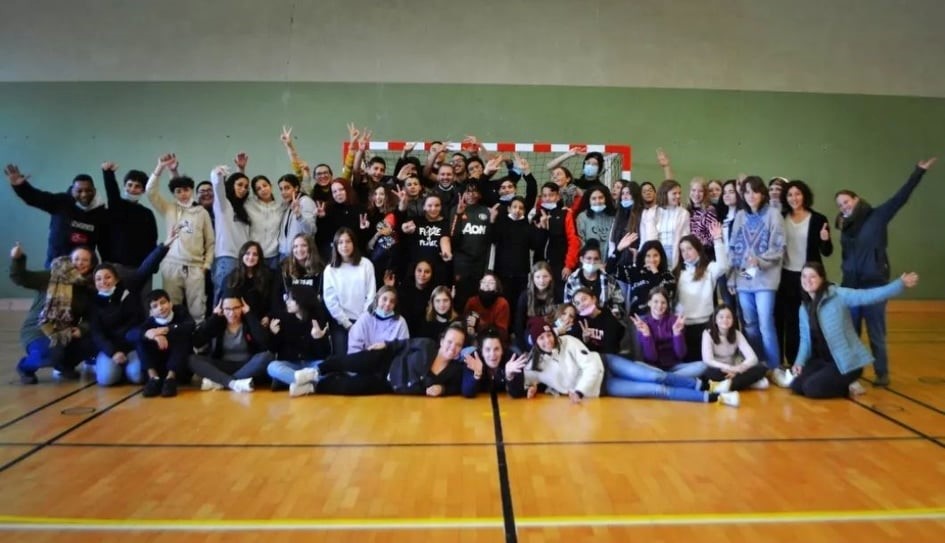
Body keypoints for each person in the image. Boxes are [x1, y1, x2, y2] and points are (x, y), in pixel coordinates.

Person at [834, 158, 935, 386]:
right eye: (840, 205)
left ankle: (882, 373)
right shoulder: (844, 227)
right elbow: (846, 257)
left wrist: (918, 172)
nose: (843, 206)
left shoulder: (877, 216)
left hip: (874, 284)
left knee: (876, 332)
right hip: (851, 285)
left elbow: (901, 197)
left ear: (856, 200)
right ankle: (853, 374)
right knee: (852, 332)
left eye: (846, 201)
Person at [791, 263, 919, 399]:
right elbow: (805, 339)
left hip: (846, 363)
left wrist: (899, 284)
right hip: (823, 361)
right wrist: (800, 362)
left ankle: (847, 385)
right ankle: (839, 383)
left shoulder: (838, 295)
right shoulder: (804, 308)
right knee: (797, 386)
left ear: (822, 279)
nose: (807, 281)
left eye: (813, 277)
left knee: (811, 389)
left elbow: (869, 295)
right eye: (804, 276)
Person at [89, 237, 172, 387]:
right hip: (111, 349)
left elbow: (146, 267)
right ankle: (115, 368)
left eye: (108, 277)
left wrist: (164, 246)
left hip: (133, 345)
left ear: (116, 278)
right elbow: (97, 334)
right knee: (107, 379)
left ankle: (127, 369)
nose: (103, 282)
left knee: (138, 377)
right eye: (98, 279)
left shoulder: (129, 289)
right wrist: (113, 352)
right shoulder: (94, 303)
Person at [10, 244, 97, 384]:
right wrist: (18, 258)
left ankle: (65, 365)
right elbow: (21, 278)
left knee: (92, 341)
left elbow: (91, 317)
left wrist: (82, 329)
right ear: (70, 260)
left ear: (91, 264)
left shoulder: (88, 287)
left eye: (85, 260)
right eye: (76, 259)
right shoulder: (51, 276)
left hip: (64, 332)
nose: (80, 263)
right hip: (38, 330)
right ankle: (25, 367)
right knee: (49, 353)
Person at [305, 323, 467, 397]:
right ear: (442, 340)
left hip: (389, 385)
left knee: (350, 387)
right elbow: (401, 344)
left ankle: (314, 386)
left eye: (458, 345)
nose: (452, 348)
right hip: (385, 360)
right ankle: (316, 371)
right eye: (450, 342)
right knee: (351, 362)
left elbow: (456, 388)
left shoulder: (454, 370)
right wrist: (385, 344)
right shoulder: (427, 345)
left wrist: (442, 389)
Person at [146, 154, 215, 324]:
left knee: (198, 308)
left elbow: (210, 242)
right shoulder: (169, 208)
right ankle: (173, 342)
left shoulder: (202, 212)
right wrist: (160, 168)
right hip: (171, 265)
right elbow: (150, 191)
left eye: (185, 190)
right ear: (174, 193)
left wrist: (205, 266)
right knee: (171, 307)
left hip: (195, 268)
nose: (183, 194)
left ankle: (199, 346)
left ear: (191, 190)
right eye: (178, 191)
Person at [728, 176, 785, 370]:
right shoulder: (741, 216)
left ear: (762, 193)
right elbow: (733, 247)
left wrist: (759, 261)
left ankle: (773, 366)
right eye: (747, 191)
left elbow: (778, 248)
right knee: (750, 324)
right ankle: (757, 364)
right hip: (745, 278)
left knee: (765, 324)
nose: (751, 195)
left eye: (755, 191)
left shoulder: (774, 215)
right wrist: (732, 277)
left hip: (765, 280)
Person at [6, 164, 109, 266]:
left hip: (84, 272)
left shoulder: (101, 213)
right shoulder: (61, 202)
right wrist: (20, 186)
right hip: (55, 268)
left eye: (88, 190)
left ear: (94, 191)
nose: (84, 194)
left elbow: (105, 245)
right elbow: (35, 197)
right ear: (73, 191)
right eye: (79, 191)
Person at [777, 180, 833, 366]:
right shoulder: (780, 216)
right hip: (786, 275)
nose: (794, 198)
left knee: (812, 319)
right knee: (790, 321)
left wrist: (825, 240)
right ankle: (793, 361)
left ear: (805, 196)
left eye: (798, 194)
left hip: (809, 277)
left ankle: (815, 359)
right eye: (790, 194)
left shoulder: (818, 219)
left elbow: (827, 251)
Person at [189, 296, 273, 393]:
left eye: (236, 308)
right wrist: (214, 317)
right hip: (223, 366)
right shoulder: (218, 323)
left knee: (267, 356)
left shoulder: (249, 321)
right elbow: (197, 342)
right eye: (227, 309)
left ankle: (223, 383)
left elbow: (265, 342)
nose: (232, 313)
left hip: (247, 366)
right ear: (222, 309)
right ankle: (233, 383)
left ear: (242, 307)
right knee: (191, 359)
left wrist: (249, 315)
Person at [99, 162, 158, 295]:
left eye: (137, 186)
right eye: (130, 185)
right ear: (125, 186)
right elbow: (112, 191)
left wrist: (153, 266)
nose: (132, 189)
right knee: (117, 304)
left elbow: (152, 241)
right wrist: (108, 173)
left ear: (143, 190)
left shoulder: (147, 214)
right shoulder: (116, 206)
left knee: (143, 305)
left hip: (143, 268)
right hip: (118, 267)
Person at [265, 286, 332, 397]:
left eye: (291, 299)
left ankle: (299, 383)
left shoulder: (317, 318)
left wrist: (319, 338)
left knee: (330, 369)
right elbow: (273, 349)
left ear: (302, 300)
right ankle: (309, 386)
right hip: (291, 364)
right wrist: (274, 334)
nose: (287, 302)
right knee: (272, 367)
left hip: (311, 363)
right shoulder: (282, 317)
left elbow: (324, 354)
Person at [674, 229, 728, 360]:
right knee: (688, 360)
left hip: (705, 323)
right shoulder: (677, 272)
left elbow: (723, 266)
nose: (686, 253)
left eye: (689, 249)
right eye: (683, 250)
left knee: (706, 360)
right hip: (684, 325)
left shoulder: (709, 268)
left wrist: (717, 240)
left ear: (698, 249)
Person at [131, 289, 196, 398]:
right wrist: (151, 334)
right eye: (155, 306)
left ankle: (171, 379)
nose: (160, 308)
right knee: (140, 339)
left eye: (163, 302)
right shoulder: (150, 323)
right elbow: (130, 334)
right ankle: (153, 379)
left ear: (170, 304)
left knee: (182, 336)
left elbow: (191, 326)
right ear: (151, 312)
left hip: (180, 369)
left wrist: (167, 330)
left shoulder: (180, 312)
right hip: (160, 367)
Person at [628, 287, 706, 378]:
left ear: (667, 304)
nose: (659, 306)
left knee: (702, 366)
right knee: (638, 365)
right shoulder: (643, 324)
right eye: (656, 302)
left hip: (675, 367)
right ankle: (673, 379)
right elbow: (651, 358)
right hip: (654, 368)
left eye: (663, 302)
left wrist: (677, 334)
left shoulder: (675, 321)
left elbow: (681, 354)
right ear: (649, 303)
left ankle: (666, 378)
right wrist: (647, 334)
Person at [523, 317, 603, 402]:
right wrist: (531, 387)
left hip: (603, 364)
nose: (547, 340)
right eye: (541, 338)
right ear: (536, 343)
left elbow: (591, 365)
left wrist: (579, 391)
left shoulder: (568, 341)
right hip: (596, 389)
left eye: (549, 335)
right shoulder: (534, 364)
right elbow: (524, 382)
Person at [322, 228, 376, 355]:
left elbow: (371, 295)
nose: (344, 245)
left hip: (363, 320)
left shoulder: (366, 264)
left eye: (348, 241)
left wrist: (361, 322)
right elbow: (330, 300)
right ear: (335, 246)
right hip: (340, 322)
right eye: (340, 242)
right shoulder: (330, 270)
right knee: (342, 358)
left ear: (354, 243)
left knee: (362, 357)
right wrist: (347, 324)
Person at [701, 305, 769, 393]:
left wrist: (738, 369)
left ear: (733, 320)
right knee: (708, 373)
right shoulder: (707, 333)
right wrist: (728, 368)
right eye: (721, 317)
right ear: (715, 320)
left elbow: (753, 358)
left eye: (728, 317)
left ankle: (727, 385)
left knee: (762, 368)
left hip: (735, 369)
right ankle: (744, 383)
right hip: (719, 369)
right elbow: (708, 360)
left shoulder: (737, 334)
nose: (725, 320)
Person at [209, 164, 252, 302]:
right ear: (231, 185)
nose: (243, 189)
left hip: (242, 261)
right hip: (226, 259)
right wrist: (218, 174)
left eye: (246, 187)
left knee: (236, 299)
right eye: (239, 185)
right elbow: (218, 187)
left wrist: (241, 170)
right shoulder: (223, 204)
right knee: (222, 299)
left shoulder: (243, 209)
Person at [461, 327, 529, 398]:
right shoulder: (473, 359)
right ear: (482, 351)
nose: (492, 354)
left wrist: (509, 376)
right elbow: (467, 393)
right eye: (487, 349)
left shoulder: (512, 359)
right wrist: (477, 375)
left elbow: (518, 394)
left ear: (502, 350)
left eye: (496, 349)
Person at [563, 242, 624, 319]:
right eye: (589, 258)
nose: (592, 262)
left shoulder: (609, 279)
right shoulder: (572, 280)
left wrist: (614, 313)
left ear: (600, 260)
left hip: (605, 320)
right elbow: (568, 305)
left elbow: (619, 301)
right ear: (581, 259)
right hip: (580, 321)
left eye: (596, 259)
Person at [347, 287, 410, 354]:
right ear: (377, 299)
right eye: (384, 299)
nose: (388, 304)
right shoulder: (365, 318)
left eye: (392, 301)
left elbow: (404, 347)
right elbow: (353, 347)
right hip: (366, 359)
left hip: (391, 361)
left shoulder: (400, 322)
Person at [568, 288, 624, 354]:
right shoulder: (579, 322)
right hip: (589, 358)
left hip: (609, 357)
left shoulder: (609, 317)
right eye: (577, 303)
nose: (582, 304)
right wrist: (586, 341)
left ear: (594, 299)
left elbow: (611, 347)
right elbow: (577, 350)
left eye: (584, 299)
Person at [245, 174, 284, 270]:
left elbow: (299, 192)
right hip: (255, 255)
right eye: (258, 188)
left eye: (265, 185)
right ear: (255, 193)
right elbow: (241, 187)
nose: (263, 189)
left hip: (274, 255)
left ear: (271, 186)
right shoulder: (249, 205)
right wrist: (241, 169)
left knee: (273, 283)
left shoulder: (281, 206)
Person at [463, 272, 511, 344]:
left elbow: (502, 334)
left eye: (491, 282)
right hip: (474, 340)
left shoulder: (502, 303)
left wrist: (480, 324)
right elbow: (465, 325)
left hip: (495, 342)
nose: (487, 284)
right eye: (484, 282)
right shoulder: (472, 302)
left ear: (497, 287)